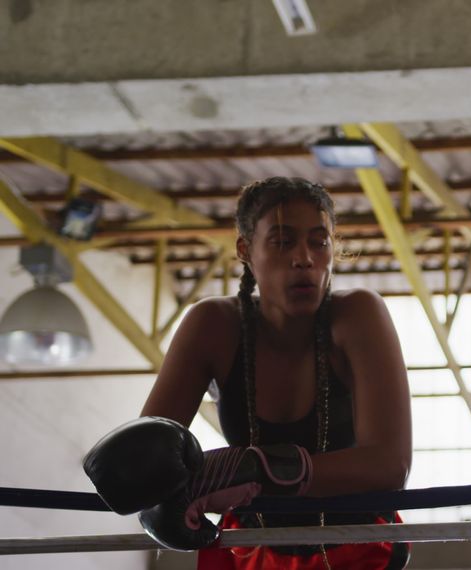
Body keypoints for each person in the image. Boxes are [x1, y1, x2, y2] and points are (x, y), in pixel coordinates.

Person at [84, 176, 412, 569]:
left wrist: (250, 467)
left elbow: (391, 465)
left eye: (318, 241)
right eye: (282, 240)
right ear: (246, 250)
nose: (304, 258)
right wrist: (157, 503)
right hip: (250, 549)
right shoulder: (214, 325)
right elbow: (150, 459)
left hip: (358, 549)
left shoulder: (357, 315)